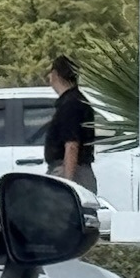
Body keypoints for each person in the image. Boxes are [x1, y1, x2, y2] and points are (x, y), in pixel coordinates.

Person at [44, 55, 97, 193]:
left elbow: (72, 145)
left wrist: (67, 182)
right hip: (78, 170)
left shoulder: (70, 105)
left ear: (55, 74)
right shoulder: (78, 101)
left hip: (70, 170)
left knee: (62, 212)